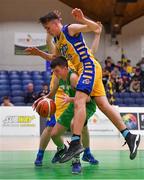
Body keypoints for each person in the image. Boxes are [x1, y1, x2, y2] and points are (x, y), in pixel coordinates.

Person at [26, 9, 140, 163]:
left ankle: (75, 143)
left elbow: (94, 28)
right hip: (90, 69)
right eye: (46, 29)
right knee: (103, 105)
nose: (48, 31)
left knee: (79, 100)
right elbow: (55, 58)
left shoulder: (69, 29)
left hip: (88, 66)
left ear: (55, 23)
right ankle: (130, 136)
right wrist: (39, 53)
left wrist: (83, 19)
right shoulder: (58, 41)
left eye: (48, 28)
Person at [34, 31, 101, 169]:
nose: (55, 73)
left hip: (82, 100)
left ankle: (78, 159)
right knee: (53, 131)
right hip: (67, 100)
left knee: (76, 125)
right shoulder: (59, 69)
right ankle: (61, 149)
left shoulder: (74, 70)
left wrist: (97, 35)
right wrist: (41, 100)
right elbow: (50, 52)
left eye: (57, 71)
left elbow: (87, 98)